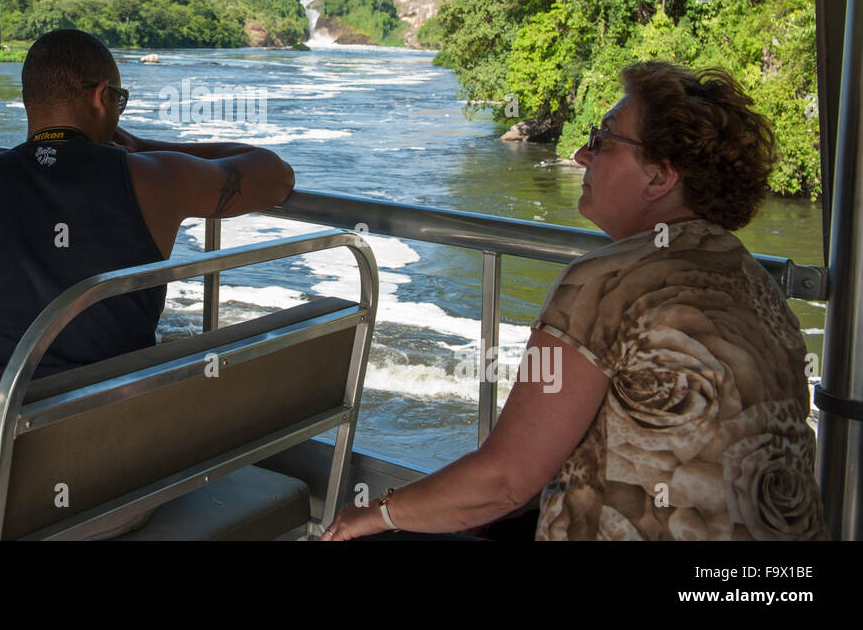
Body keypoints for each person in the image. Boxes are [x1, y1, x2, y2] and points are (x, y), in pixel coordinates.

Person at [324, 61, 826, 541]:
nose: (582, 156)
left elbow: (504, 481)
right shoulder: (752, 278)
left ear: (659, 176)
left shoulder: (602, 281)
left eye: (602, 141)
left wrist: (375, 511)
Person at [0, 28, 295, 540]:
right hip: (116, 490)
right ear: (100, 97)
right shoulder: (156, 179)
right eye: (120, 99)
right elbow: (275, 173)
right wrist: (147, 149)